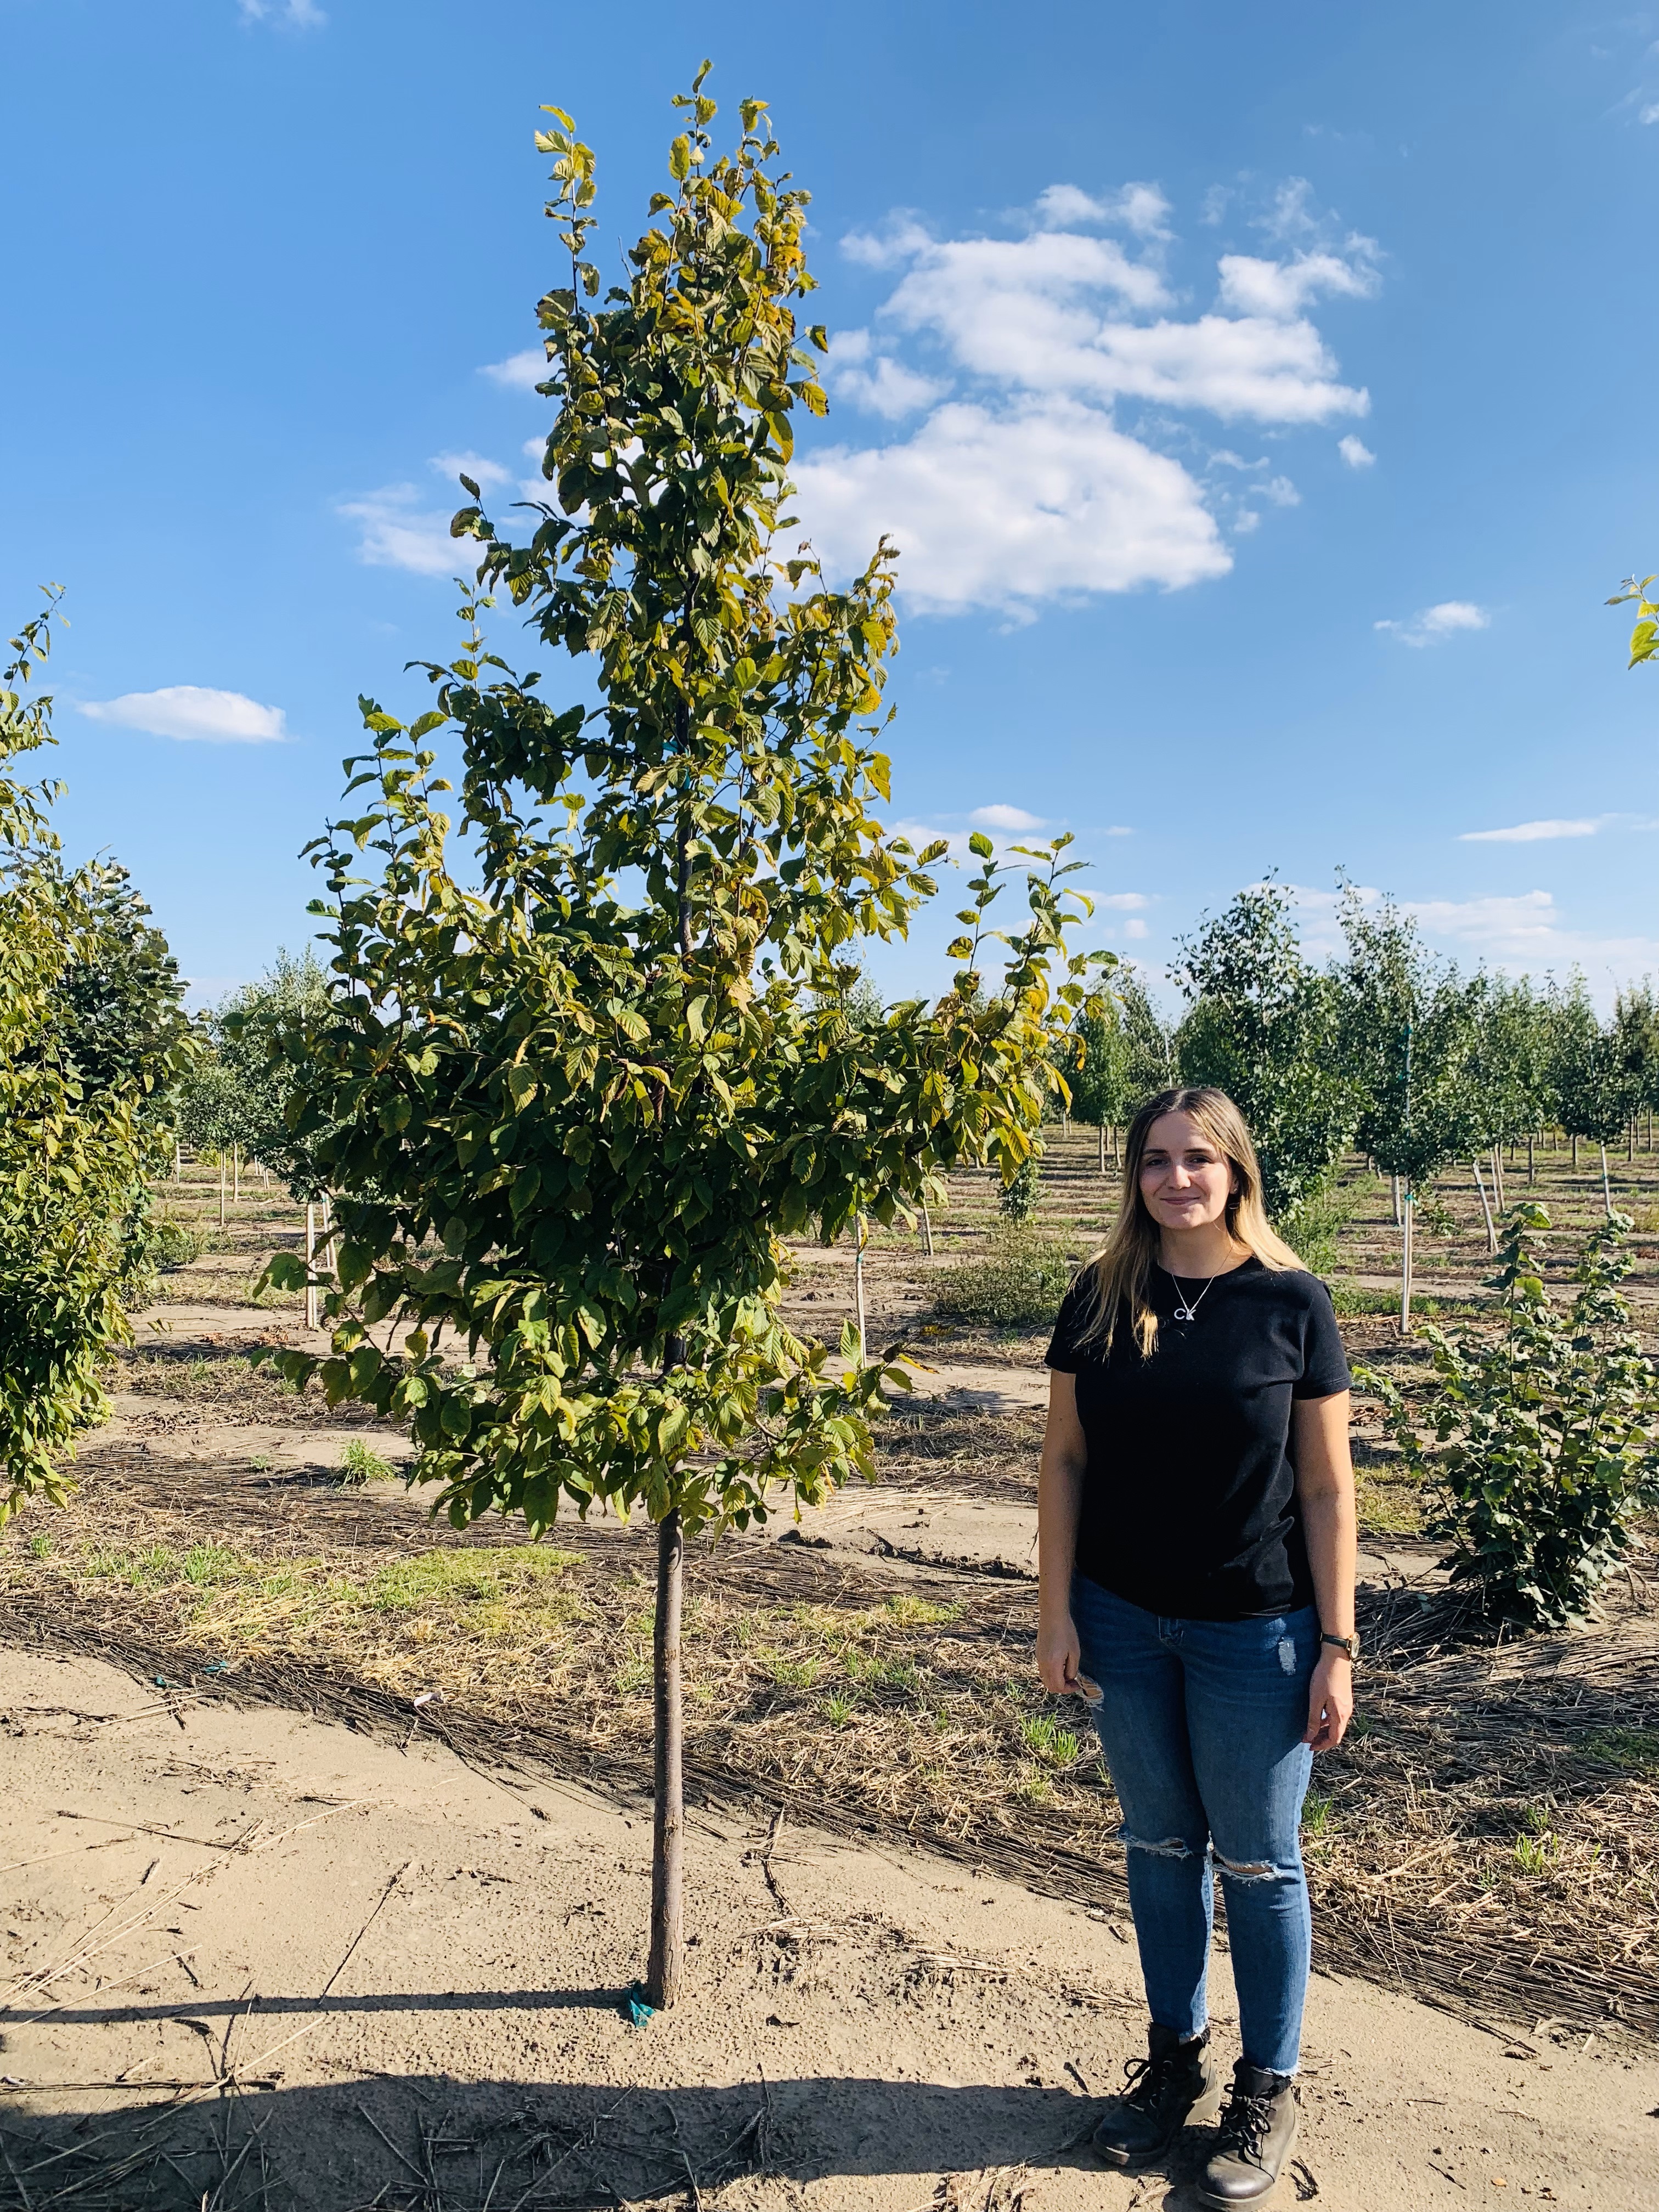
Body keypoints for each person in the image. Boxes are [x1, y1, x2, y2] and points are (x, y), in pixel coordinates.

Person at [1037, 1086, 1357, 2208]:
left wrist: (1337, 1642)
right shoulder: (1098, 1298)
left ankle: (1267, 2084)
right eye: (1157, 1159)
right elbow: (1063, 1464)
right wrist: (1056, 1609)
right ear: (1135, 1175)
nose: (1177, 1179)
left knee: (1262, 1865)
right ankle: (1174, 2060)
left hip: (1255, 1631)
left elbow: (1324, 1485)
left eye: (1199, 1159)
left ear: (1236, 1173)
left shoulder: (1290, 1304)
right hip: (1124, 1620)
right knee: (1160, 1848)